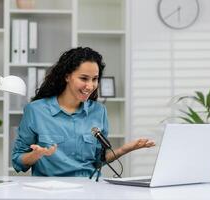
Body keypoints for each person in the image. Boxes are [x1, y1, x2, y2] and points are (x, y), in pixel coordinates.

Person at [12, 47, 155, 177]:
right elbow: (17, 160)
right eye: (84, 78)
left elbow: (98, 161)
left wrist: (125, 149)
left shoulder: (99, 111)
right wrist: (36, 155)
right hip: (50, 191)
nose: (90, 85)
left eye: (95, 79)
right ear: (67, 76)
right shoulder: (36, 110)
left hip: (90, 190)